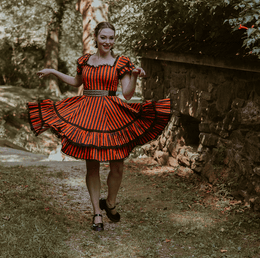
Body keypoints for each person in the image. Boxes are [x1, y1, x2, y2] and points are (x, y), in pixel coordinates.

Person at [27, 22, 171, 232]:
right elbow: (77, 82)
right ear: (95, 37)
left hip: (113, 115)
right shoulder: (85, 60)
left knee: (118, 166)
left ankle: (110, 203)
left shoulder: (121, 63)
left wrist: (136, 76)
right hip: (87, 115)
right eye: (103, 37)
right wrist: (52, 71)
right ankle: (97, 213)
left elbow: (128, 94)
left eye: (111, 38)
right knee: (92, 166)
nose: (107, 42)